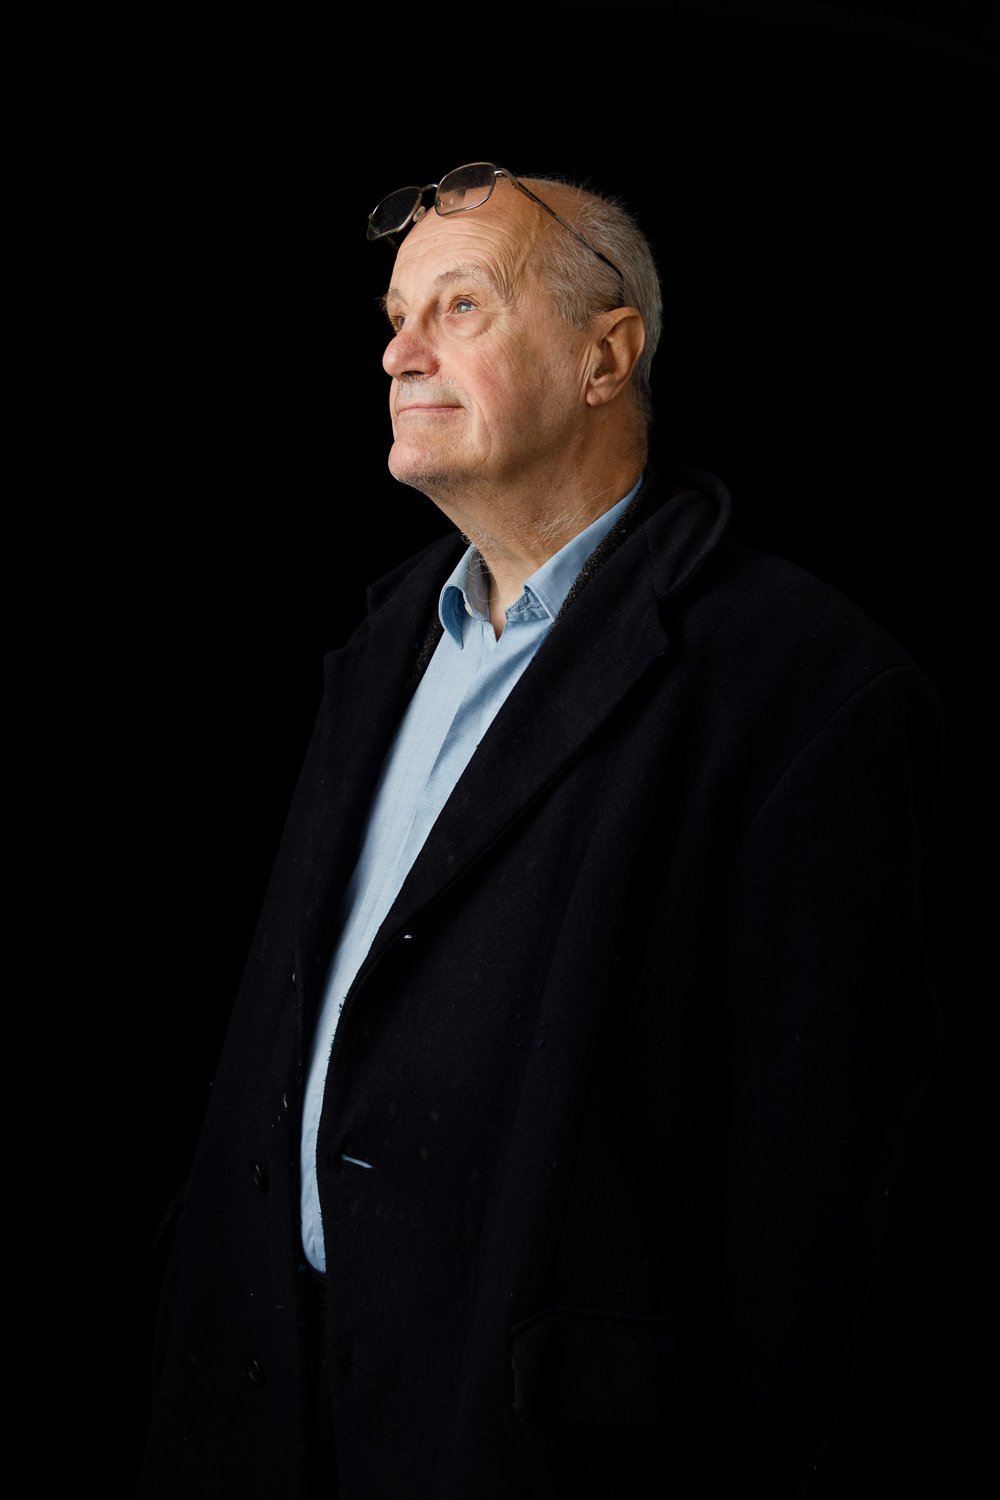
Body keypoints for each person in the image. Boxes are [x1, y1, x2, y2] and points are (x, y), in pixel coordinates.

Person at [137, 161, 945, 1499]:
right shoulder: (382, 642)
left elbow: (812, 1214)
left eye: (457, 308)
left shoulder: (806, 692)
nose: (398, 352)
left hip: (534, 1449)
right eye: (395, 317)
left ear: (604, 355)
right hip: (268, 1409)